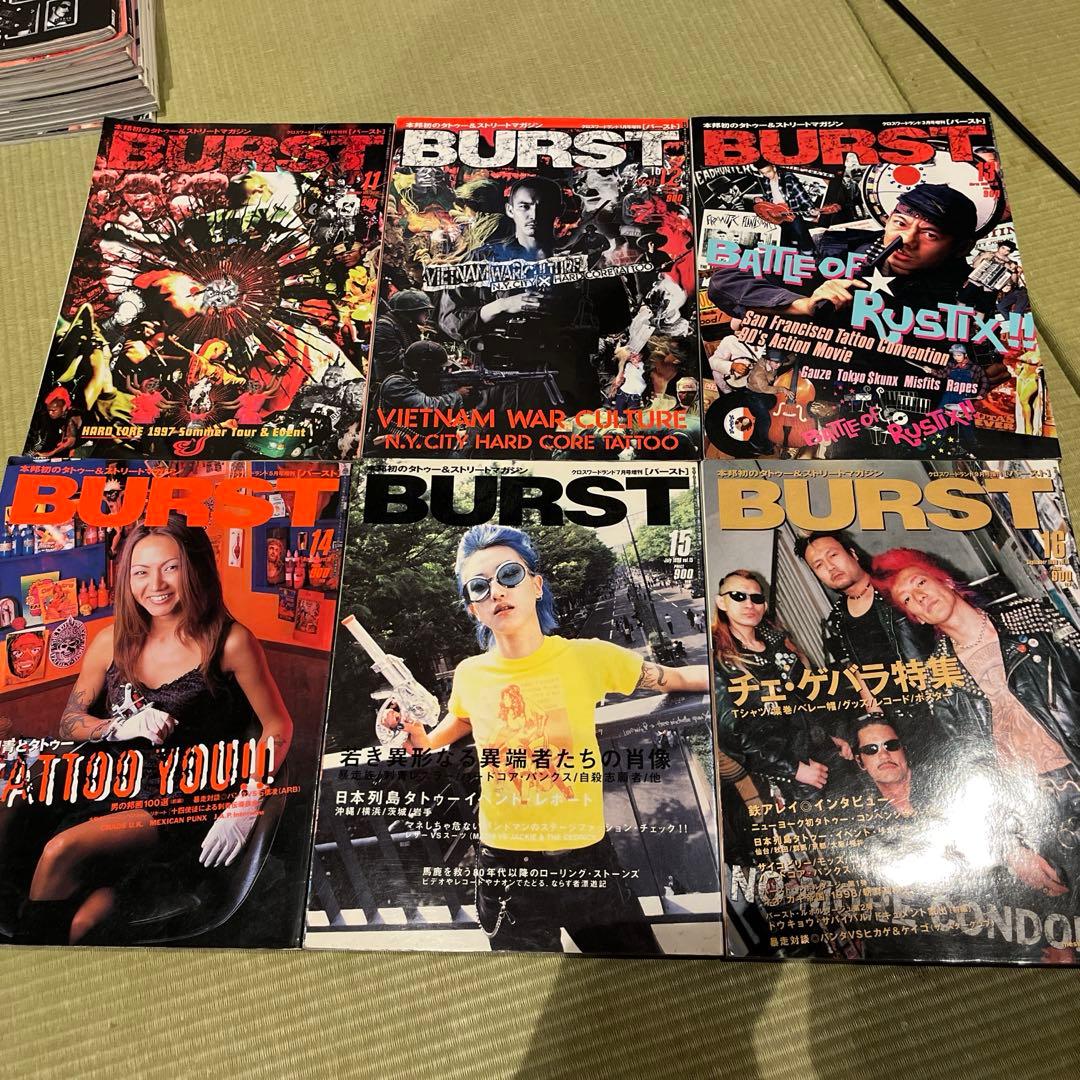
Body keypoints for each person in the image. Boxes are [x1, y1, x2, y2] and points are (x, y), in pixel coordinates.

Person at [384, 523, 709, 954]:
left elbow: (674, 678)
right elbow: (461, 720)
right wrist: (422, 739)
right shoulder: (469, 674)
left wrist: (738, 678)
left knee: (636, 977)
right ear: (473, 609)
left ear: (536, 585)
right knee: (528, 987)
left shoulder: (586, 656)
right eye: (479, 586)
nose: (496, 591)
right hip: (505, 870)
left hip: (585, 860)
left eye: (509, 575)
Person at [12, 517, 293, 945]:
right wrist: (116, 727)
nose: (155, 585)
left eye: (171, 567)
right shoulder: (110, 641)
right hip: (108, 791)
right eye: (140, 572)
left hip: (181, 802)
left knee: (59, 850)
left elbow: (277, 724)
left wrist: (248, 799)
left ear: (195, 569)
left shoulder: (231, 642)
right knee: (82, 921)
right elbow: (69, 721)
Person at [873, 547, 1080, 920]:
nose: (919, 597)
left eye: (920, 583)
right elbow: (973, 765)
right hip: (1040, 804)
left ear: (945, 581)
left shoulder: (1026, 615)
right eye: (908, 600)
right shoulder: (939, 678)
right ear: (916, 618)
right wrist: (1010, 846)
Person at [708, 182, 979, 333]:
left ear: (961, 248)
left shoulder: (970, 289)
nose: (907, 240)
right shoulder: (831, 248)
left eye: (930, 234)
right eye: (900, 223)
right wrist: (803, 305)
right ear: (887, 220)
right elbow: (726, 281)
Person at [711, 569, 847, 801]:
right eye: (738, 596)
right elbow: (731, 734)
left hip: (822, 751)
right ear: (721, 602)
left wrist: (832, 734)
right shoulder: (719, 661)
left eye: (756, 598)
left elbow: (806, 696)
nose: (749, 604)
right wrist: (793, 768)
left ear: (764, 605)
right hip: (789, 772)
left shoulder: (778, 643)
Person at [369, 289, 434, 385]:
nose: (428, 314)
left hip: (401, 379)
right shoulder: (384, 327)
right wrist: (428, 361)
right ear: (410, 312)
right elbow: (393, 361)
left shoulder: (407, 325)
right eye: (424, 311)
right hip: (388, 384)